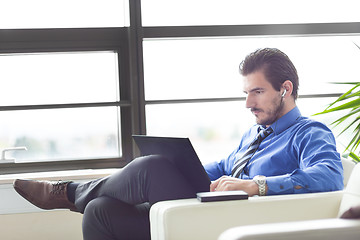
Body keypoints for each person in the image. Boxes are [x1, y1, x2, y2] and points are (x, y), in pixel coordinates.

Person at [13, 48, 343, 240]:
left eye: (256, 92)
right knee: (101, 212)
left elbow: (328, 177)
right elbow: (224, 169)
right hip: (204, 211)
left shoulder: (310, 132)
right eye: (246, 93)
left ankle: (69, 192)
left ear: (285, 89)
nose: (248, 103)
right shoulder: (254, 134)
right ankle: (81, 196)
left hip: (235, 223)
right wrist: (183, 166)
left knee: (151, 168)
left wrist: (254, 185)